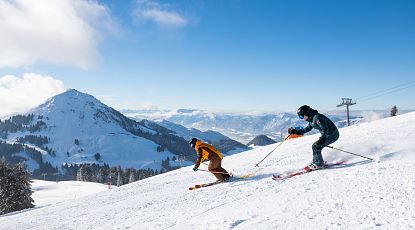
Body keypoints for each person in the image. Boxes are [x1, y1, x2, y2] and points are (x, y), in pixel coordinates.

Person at [288, 105, 340, 170]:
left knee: (316, 146)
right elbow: (308, 128)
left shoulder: (317, 117)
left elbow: (324, 129)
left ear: (306, 113)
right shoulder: (311, 119)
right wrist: (297, 132)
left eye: (301, 116)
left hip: (332, 135)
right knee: (316, 146)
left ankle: (319, 164)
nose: (302, 118)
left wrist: (322, 139)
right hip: (327, 135)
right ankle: (317, 162)